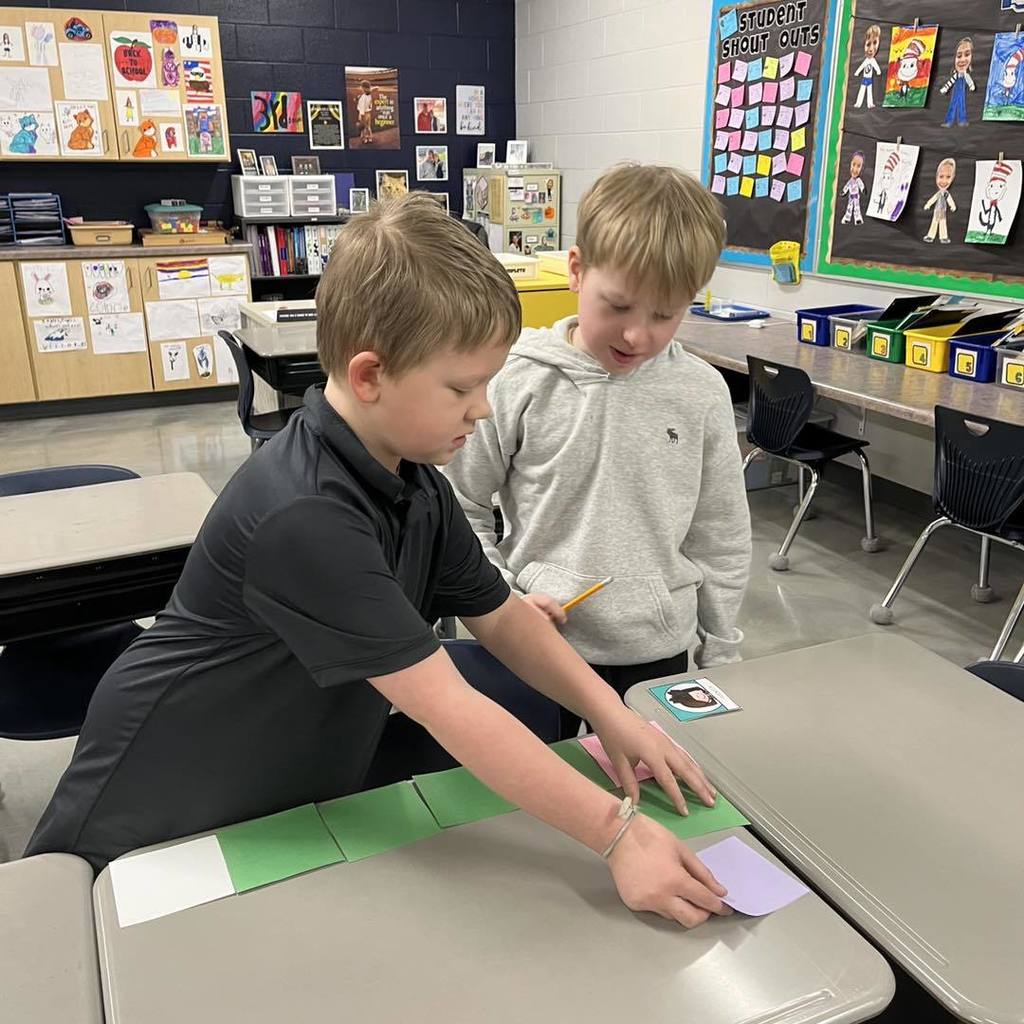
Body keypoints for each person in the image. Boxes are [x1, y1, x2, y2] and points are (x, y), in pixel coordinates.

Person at [26, 194, 730, 931]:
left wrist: (609, 714)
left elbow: (505, 620)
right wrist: (616, 834)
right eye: (462, 387)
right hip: (161, 800)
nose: (483, 410)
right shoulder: (305, 514)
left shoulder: (413, 479)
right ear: (371, 375)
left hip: (281, 785)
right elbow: (451, 708)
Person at [443, 164, 751, 741]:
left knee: (650, 796)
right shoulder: (515, 379)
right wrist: (503, 599)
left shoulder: (702, 393)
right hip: (537, 644)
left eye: (665, 315)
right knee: (542, 801)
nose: (637, 335)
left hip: (656, 649)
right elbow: (459, 505)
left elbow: (721, 535)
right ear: (578, 272)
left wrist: (722, 648)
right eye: (619, 306)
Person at [939, 37, 975, 127]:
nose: (962, 59)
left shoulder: (966, 75)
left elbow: (968, 79)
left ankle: (962, 120)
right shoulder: (956, 75)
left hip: (962, 87)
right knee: (953, 103)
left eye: (967, 55)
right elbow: (951, 81)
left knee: (961, 103)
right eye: (959, 56)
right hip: (956, 88)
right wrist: (945, 88)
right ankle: (949, 121)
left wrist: (971, 85)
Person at [923, 158, 957, 243]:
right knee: (934, 222)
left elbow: (950, 200)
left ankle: (943, 237)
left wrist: (952, 205)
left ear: (952, 178)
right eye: (941, 176)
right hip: (937, 210)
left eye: (948, 177)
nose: (944, 181)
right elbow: (933, 199)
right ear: (936, 176)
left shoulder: (946, 194)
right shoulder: (939, 193)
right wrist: (928, 204)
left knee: (942, 223)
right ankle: (930, 236)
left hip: (942, 211)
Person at [854, 25, 882, 109]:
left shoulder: (873, 60)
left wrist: (878, 71)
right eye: (868, 44)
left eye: (875, 43)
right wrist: (857, 72)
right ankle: (858, 103)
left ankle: (870, 104)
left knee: (869, 91)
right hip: (865, 78)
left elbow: (876, 66)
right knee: (862, 90)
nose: (871, 49)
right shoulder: (866, 60)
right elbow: (862, 66)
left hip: (869, 78)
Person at [840, 150, 866, 225]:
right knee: (849, 207)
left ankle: (858, 219)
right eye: (853, 164)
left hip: (856, 196)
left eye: (858, 166)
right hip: (850, 196)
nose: (854, 169)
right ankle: (847, 218)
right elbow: (847, 186)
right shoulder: (850, 180)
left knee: (857, 208)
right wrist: (843, 191)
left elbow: (861, 185)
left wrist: (863, 189)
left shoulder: (858, 180)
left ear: (862, 168)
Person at [357, 79, 373, 144]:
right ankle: (370, 138)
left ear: (364, 88)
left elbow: (362, 109)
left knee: (363, 127)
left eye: (361, 86)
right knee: (368, 126)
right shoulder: (369, 95)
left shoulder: (363, 97)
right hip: (369, 113)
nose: (360, 87)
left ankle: (364, 139)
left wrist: (362, 118)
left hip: (363, 114)